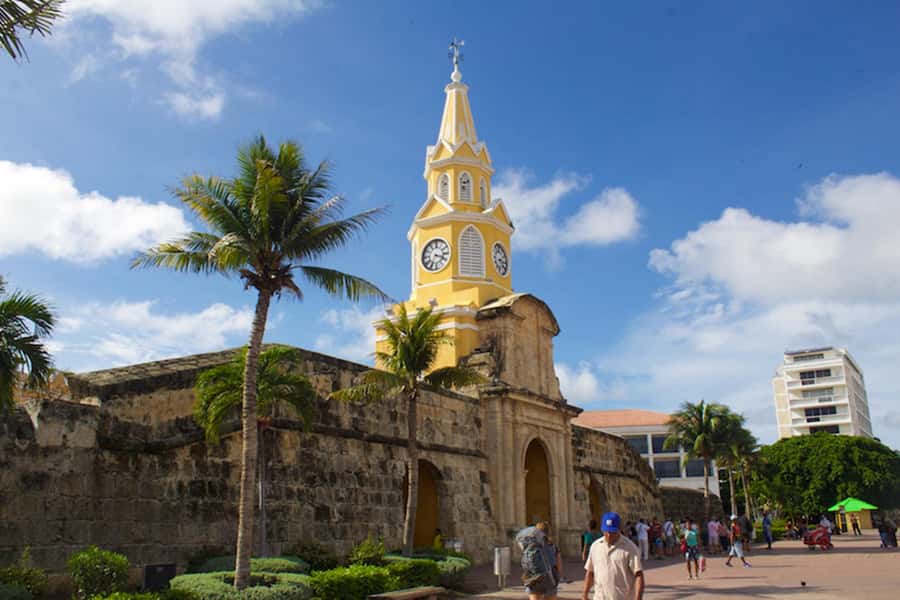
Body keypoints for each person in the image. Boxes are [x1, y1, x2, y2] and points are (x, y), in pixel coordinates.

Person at [582, 511, 644, 600]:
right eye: (606, 532)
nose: (609, 535)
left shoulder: (630, 548)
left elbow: (638, 575)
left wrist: (638, 598)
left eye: (612, 532)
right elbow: (590, 572)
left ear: (619, 529)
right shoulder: (595, 546)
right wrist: (584, 594)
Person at [525, 522, 560, 600]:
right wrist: (557, 579)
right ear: (548, 532)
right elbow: (559, 567)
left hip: (535, 580)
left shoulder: (530, 547)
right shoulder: (553, 547)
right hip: (550, 579)